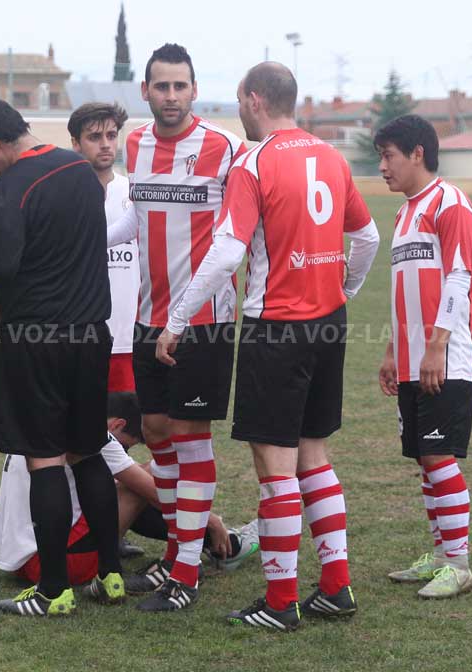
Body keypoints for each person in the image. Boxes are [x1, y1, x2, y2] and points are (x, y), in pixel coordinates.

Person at [156, 62, 380, 631]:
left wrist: (178, 319)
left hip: (276, 328)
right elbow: (367, 236)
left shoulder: (253, 162)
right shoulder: (331, 156)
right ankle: (336, 587)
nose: (238, 110)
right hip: (328, 323)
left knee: (274, 465)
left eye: (239, 100)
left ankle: (281, 602)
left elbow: (228, 251)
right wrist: (345, 289)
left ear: (255, 100)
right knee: (313, 456)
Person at [0, 99, 122, 617]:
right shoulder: (80, 170)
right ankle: (111, 575)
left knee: (45, 459)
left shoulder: (10, 186)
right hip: (92, 334)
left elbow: (1, 268)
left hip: (36, 339)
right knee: (88, 452)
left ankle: (53, 590)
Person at [107, 43, 247, 612]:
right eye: (161, 86)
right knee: (157, 431)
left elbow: (239, 234)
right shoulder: (135, 143)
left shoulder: (225, 148)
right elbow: (135, 218)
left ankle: (185, 572)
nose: (171, 96)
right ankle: (175, 555)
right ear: (145, 91)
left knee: (190, 437)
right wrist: (82, 241)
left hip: (204, 322)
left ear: (194, 90)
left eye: (180, 86)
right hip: (148, 317)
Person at [0, 392, 260, 586]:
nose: (124, 451)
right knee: (149, 477)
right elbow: (154, 491)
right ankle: (224, 545)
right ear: (117, 424)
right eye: (127, 445)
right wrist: (211, 520)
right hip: (57, 564)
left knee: (130, 480)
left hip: (20, 561)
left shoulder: (44, 422)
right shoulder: (96, 435)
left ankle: (205, 544)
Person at [374, 114, 472, 599]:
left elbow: (459, 278)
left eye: (388, 156)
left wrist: (436, 346)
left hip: (446, 357)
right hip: (412, 358)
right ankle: (440, 556)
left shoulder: (449, 202)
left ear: (418, 153)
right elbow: (405, 290)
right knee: (424, 457)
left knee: (438, 455)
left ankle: (458, 564)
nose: (382, 167)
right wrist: (392, 350)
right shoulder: (404, 214)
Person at [67, 102, 139, 394]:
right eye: (95, 137)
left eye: (111, 135)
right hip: (79, 335)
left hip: (131, 335)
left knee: (128, 417)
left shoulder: (135, 193)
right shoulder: (63, 195)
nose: (106, 144)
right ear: (76, 143)